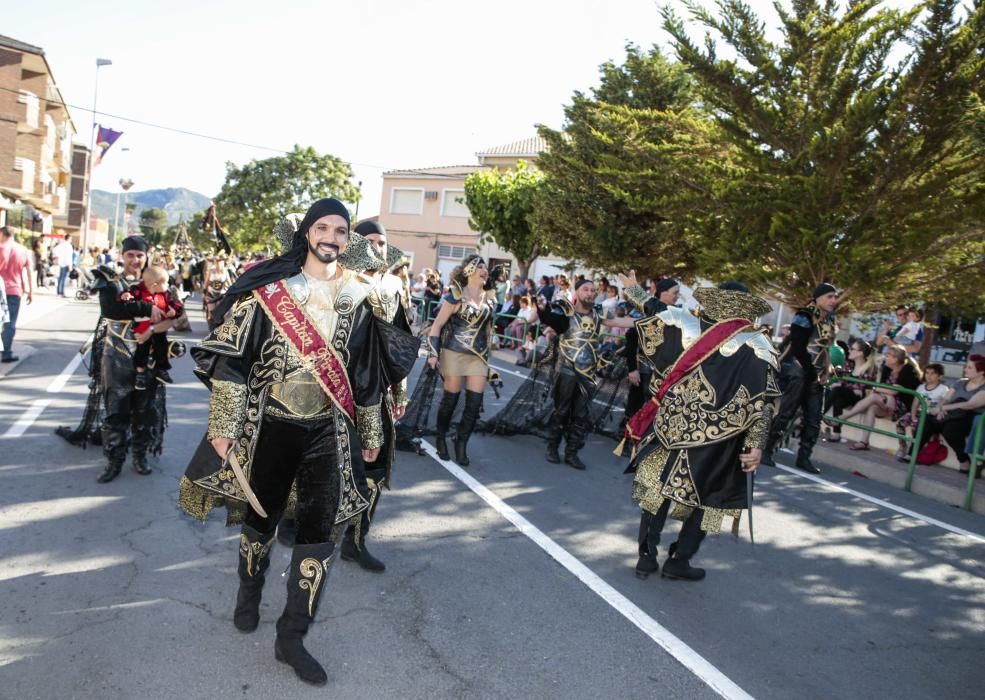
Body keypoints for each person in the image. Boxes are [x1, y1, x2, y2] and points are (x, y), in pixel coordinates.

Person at [178, 199, 418, 686]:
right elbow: (235, 362)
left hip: (330, 432)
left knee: (318, 533)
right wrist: (224, 426)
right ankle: (249, 591)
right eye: (323, 226)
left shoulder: (360, 295)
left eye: (340, 229)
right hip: (272, 425)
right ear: (307, 232)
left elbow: (367, 373)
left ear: (348, 240)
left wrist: (371, 432)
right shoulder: (270, 292)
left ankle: (292, 636)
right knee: (260, 521)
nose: (331, 236)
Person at [617, 273, 779, 581]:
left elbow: (656, 309)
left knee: (657, 490)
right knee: (709, 498)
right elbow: (764, 401)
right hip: (719, 437)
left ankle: (646, 557)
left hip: (672, 426)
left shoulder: (685, 325)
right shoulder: (757, 344)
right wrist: (756, 444)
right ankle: (679, 561)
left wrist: (634, 290)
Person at [344, 219, 415, 572]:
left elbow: (399, 343)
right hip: (336, 392)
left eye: (382, 242)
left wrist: (400, 391)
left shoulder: (393, 285)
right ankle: (298, 525)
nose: (376, 247)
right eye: (369, 240)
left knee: (372, 468)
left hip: (377, 395)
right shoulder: (336, 281)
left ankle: (356, 540)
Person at [92, 236, 172, 482]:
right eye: (130, 255)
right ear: (122, 255)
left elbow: (172, 317)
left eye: (139, 255)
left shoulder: (160, 280)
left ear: (147, 255)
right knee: (116, 410)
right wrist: (147, 310)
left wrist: (151, 329)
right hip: (115, 354)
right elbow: (111, 310)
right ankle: (114, 461)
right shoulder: (110, 281)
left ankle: (139, 456)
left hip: (147, 357)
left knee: (145, 411)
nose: (135, 260)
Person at [535, 278, 626, 469]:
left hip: (588, 372)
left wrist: (656, 319)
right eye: (585, 289)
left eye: (593, 290)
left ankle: (571, 453)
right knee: (561, 411)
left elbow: (623, 321)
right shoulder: (565, 312)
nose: (590, 293)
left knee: (581, 414)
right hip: (567, 369)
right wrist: (543, 311)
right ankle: (552, 447)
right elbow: (551, 321)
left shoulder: (599, 313)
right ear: (577, 293)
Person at [425, 255, 502, 466]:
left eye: (487, 268)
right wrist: (433, 354)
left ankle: (461, 442)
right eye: (481, 267)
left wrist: (489, 362)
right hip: (453, 352)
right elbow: (437, 326)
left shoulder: (490, 297)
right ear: (469, 271)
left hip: (477, 357)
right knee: (450, 399)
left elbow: (488, 331)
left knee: (474, 404)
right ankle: (441, 437)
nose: (485, 271)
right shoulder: (456, 295)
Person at [762, 283, 839, 473]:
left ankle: (804, 457)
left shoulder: (830, 318)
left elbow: (826, 348)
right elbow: (797, 346)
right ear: (818, 297)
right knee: (786, 413)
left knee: (814, 418)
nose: (833, 301)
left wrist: (826, 371)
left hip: (817, 375)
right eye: (829, 296)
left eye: (834, 297)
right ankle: (766, 450)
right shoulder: (804, 316)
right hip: (800, 372)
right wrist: (810, 371)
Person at [834, 345, 922, 450]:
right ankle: (864, 442)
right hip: (885, 402)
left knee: (874, 397)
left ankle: (844, 417)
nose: (885, 357)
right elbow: (880, 388)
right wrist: (880, 387)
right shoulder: (887, 369)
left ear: (895, 359)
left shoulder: (908, 370)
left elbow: (892, 391)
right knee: (872, 408)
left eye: (888, 355)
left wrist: (880, 390)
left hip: (903, 407)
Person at [622, 278, 681, 428]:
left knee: (654, 406)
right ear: (664, 293)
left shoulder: (676, 314)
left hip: (662, 370)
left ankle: (641, 437)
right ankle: (626, 436)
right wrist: (632, 369)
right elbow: (631, 338)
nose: (677, 296)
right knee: (636, 404)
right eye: (675, 293)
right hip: (643, 368)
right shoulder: (649, 310)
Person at [914, 355, 985, 476]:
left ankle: (964, 460)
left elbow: (970, 405)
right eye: (966, 366)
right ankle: (913, 453)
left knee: (950, 431)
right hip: (951, 413)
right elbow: (946, 398)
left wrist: (944, 408)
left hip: (970, 416)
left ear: (981, 372)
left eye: (969, 367)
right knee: (927, 420)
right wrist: (941, 408)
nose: (965, 369)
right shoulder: (960, 382)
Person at [119, 265, 183, 389]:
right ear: (154, 284)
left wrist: (174, 310)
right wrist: (125, 295)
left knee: (161, 345)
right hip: (142, 327)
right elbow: (128, 297)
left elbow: (176, 305)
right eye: (165, 283)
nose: (167, 286)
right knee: (142, 349)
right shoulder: (137, 290)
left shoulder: (165, 294)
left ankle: (161, 369)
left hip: (159, 326)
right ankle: (140, 373)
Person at [821, 339, 878, 443]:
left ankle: (819, 415)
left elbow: (862, 388)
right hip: (847, 393)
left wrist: (844, 385)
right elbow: (845, 382)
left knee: (837, 389)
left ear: (860, 353)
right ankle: (836, 433)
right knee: (837, 397)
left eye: (852, 349)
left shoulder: (870, 368)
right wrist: (845, 385)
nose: (849, 351)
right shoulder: (849, 363)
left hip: (860, 399)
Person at [896, 362, 949, 460]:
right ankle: (903, 446)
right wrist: (913, 416)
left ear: (940, 376)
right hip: (918, 413)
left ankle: (916, 451)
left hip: (930, 416)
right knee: (900, 424)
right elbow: (915, 403)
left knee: (917, 429)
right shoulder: (921, 387)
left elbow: (942, 405)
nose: (929, 376)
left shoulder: (943, 389)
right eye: (927, 373)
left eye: (932, 373)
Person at [0, 226, 33, 363]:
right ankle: (6, 352)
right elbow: (29, 270)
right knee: (10, 322)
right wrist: (31, 290)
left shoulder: (1, 248)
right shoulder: (23, 250)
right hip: (15, 290)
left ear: (2, 233)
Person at [202, 253, 232, 329]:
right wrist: (204, 293)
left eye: (219, 261)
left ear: (222, 262)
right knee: (211, 313)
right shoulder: (211, 270)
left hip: (221, 294)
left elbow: (229, 283)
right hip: (211, 293)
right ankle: (212, 330)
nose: (218, 262)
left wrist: (231, 290)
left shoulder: (225, 271)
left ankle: (220, 329)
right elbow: (206, 282)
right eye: (216, 261)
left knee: (220, 313)